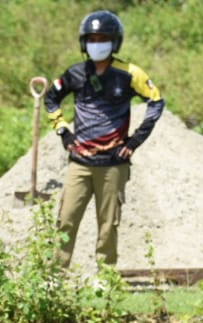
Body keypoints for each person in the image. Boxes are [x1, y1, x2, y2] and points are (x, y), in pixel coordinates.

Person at [44, 10, 165, 268]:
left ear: (115, 41)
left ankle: (105, 276)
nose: (97, 44)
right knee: (66, 219)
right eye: (92, 38)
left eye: (103, 38)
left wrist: (133, 143)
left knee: (108, 223)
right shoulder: (75, 73)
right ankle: (56, 275)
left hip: (113, 163)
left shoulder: (130, 73)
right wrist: (63, 131)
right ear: (84, 42)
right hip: (80, 161)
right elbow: (51, 98)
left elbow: (156, 102)